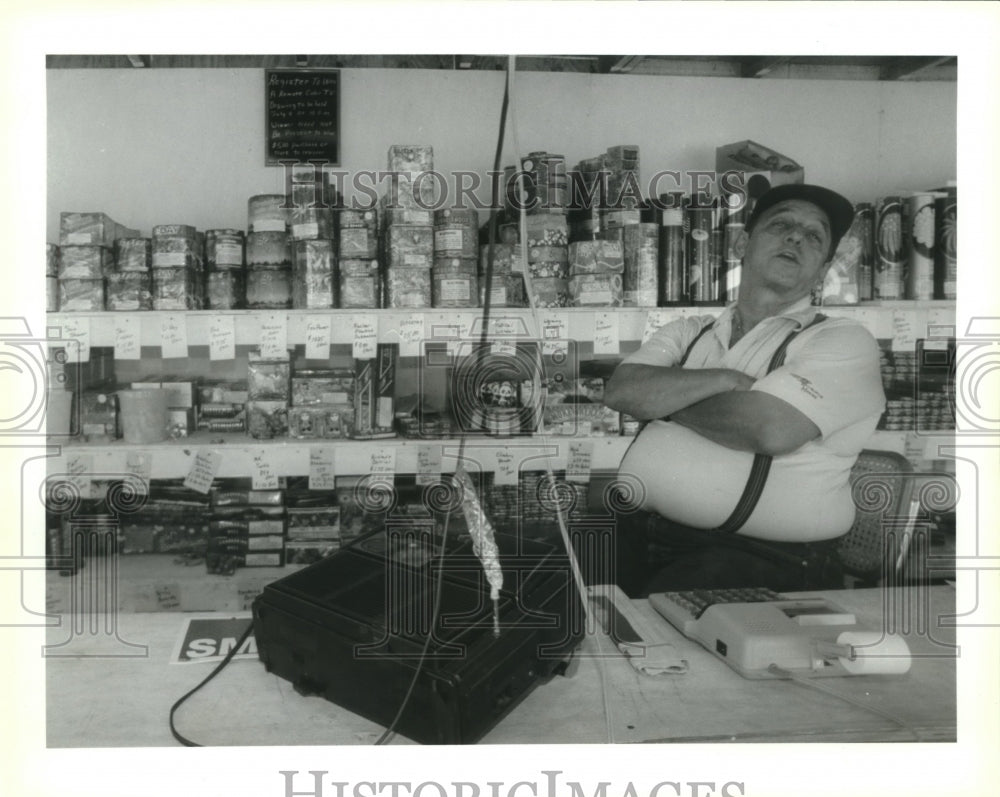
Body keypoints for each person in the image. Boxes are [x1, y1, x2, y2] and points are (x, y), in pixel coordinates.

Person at [603, 183, 886, 596]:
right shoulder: (690, 330)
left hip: (763, 558)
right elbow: (621, 392)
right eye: (782, 224)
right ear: (741, 243)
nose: (795, 237)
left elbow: (769, 429)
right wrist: (724, 380)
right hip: (638, 532)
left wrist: (662, 401)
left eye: (814, 236)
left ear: (823, 270)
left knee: (654, 620)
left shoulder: (843, 341)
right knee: (535, 578)